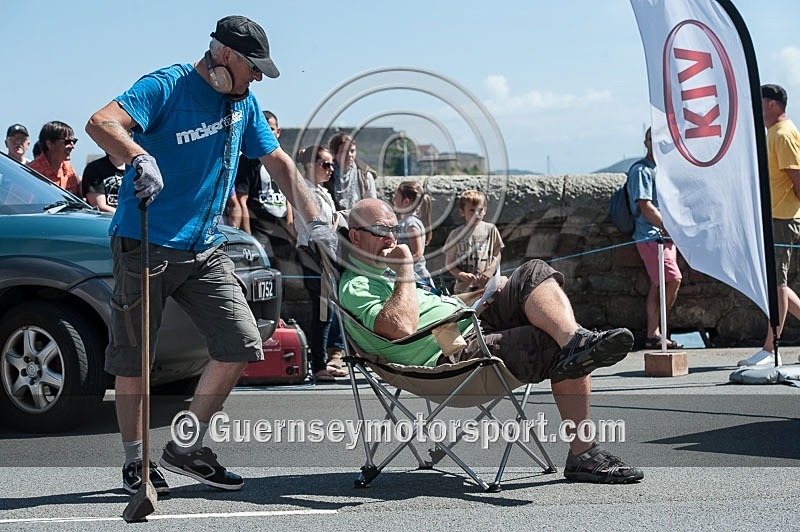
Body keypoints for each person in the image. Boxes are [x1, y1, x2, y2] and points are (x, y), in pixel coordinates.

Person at [85, 15, 334, 495]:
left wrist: (313, 217)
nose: (258, 76)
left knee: (242, 342)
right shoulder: (168, 86)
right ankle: (136, 463)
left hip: (204, 246)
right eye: (252, 66)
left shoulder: (244, 102)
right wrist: (139, 155)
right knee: (135, 357)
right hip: (145, 242)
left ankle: (185, 445)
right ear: (223, 55)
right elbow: (102, 122)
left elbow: (278, 161)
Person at [339, 198, 643, 484]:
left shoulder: (388, 276)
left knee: (531, 272)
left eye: (394, 229)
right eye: (381, 231)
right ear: (355, 237)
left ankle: (576, 341)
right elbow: (402, 327)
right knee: (549, 342)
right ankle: (584, 452)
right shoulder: (357, 284)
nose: (392, 239)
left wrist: (481, 297)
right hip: (451, 354)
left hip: (469, 323)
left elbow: (433, 311)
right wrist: (406, 268)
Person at [739, 84, 800, 366]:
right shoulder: (774, 134)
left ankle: (770, 347)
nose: (756, 107)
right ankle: (769, 346)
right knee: (777, 283)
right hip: (774, 217)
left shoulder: (784, 135)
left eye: (759, 102)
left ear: (772, 105)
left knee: (777, 284)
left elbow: (797, 180)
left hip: (783, 219)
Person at [626, 127, 683, 350]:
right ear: (646, 142)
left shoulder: (662, 169)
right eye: (653, 139)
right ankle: (655, 331)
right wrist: (669, 228)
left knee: (659, 284)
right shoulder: (641, 171)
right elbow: (645, 206)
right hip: (651, 237)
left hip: (663, 237)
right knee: (672, 279)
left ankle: (655, 333)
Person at [294, 144, 346, 380]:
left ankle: (323, 361)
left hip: (325, 255)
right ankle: (318, 366)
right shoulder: (306, 191)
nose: (331, 169)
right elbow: (318, 227)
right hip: (314, 255)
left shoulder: (319, 190)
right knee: (323, 312)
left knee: (328, 311)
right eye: (325, 164)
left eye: (332, 164)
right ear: (310, 166)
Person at [233, 110, 295, 264]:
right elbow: (242, 200)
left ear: (278, 132)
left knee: (286, 275)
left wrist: (290, 224)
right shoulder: (247, 161)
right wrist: (248, 235)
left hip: (281, 228)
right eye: (264, 129)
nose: (268, 133)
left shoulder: (283, 160)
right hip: (260, 229)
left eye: (272, 129)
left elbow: (289, 193)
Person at [444, 189, 504, 294]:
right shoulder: (455, 234)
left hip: (486, 286)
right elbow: (449, 263)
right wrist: (461, 274)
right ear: (462, 212)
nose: (477, 214)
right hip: (463, 289)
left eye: (480, 210)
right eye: (472, 210)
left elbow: (497, 254)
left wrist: (489, 271)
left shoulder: (491, 229)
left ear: (485, 210)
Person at [392, 180, 434, 286]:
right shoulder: (405, 222)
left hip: (417, 278)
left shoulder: (411, 224)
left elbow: (417, 253)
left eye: (396, 196)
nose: (393, 199)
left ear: (406, 201)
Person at [27, 121, 81, 196]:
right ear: (49, 144)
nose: (72, 146)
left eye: (74, 141)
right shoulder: (32, 173)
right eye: (67, 142)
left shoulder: (68, 168)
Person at [326, 132, 377, 211]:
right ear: (334, 153)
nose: (350, 155)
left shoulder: (364, 175)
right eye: (344, 152)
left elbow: (373, 204)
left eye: (352, 151)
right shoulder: (326, 174)